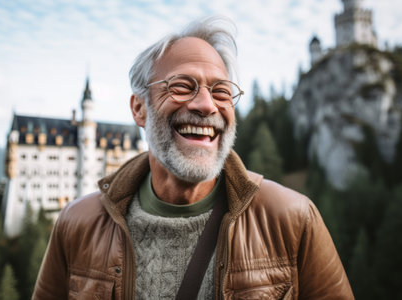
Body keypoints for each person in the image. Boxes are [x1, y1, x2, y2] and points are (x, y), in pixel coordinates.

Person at [32, 17, 354, 300]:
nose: (206, 105)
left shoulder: (293, 222)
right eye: (183, 86)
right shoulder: (77, 225)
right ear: (139, 109)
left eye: (221, 91)